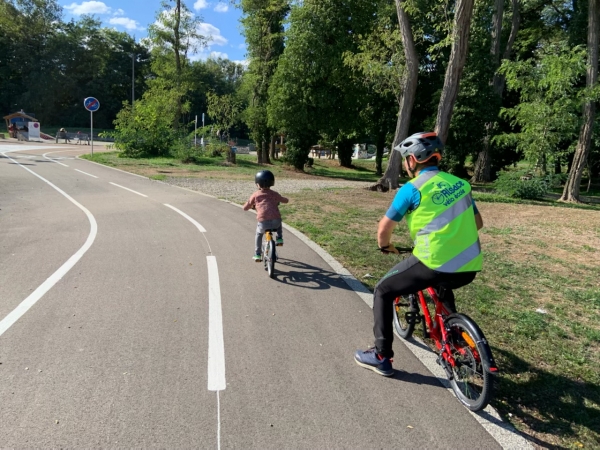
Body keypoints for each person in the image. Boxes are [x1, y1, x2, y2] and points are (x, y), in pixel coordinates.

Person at [354, 131, 484, 377]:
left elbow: (384, 229)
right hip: (470, 265)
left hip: (433, 262)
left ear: (412, 160)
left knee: (383, 290)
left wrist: (384, 246)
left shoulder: (412, 189)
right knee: (443, 285)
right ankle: (453, 338)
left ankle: (381, 356)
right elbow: (477, 223)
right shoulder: (461, 184)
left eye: (405, 159)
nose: (405, 164)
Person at [243, 170, 289, 261]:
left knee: (258, 234)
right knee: (278, 219)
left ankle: (257, 254)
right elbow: (285, 200)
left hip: (263, 222)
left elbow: (246, 206)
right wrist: (286, 199)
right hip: (276, 222)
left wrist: (246, 207)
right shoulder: (274, 194)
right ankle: (279, 238)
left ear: (257, 184)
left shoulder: (256, 195)